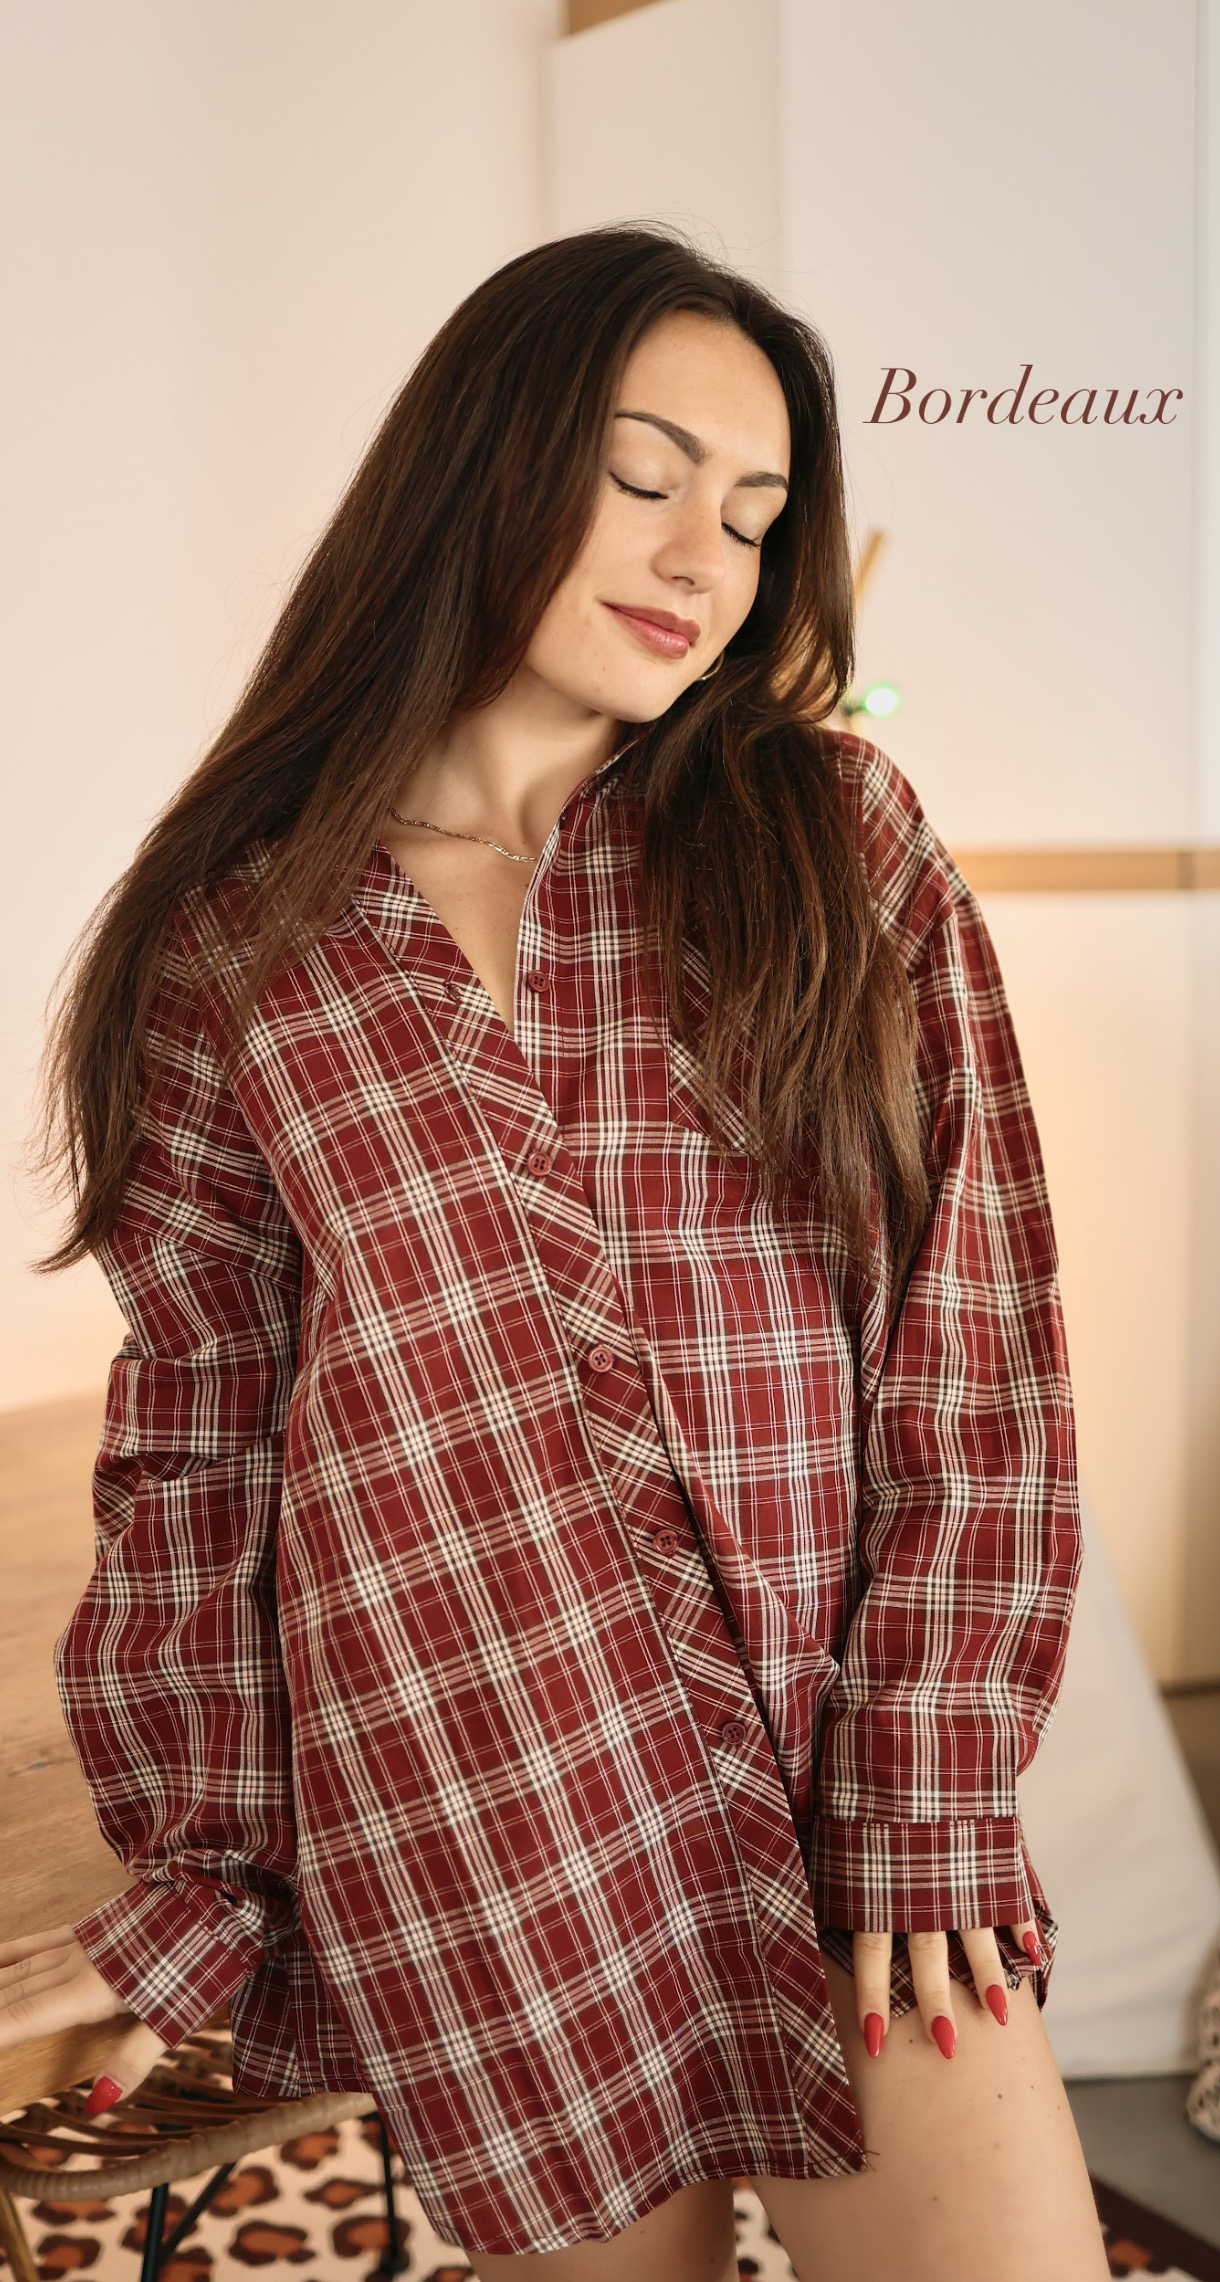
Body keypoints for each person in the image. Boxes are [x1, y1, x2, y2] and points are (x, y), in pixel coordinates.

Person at [4, 223, 1109, 2281]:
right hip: (484, 1817)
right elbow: (201, 1454)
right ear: (485, 464)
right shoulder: (238, 940)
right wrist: (203, 1891)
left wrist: (931, 1779)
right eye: (645, 474)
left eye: (754, 517)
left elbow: (974, 1341)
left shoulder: (837, 844)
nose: (704, 557)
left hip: (840, 1799)